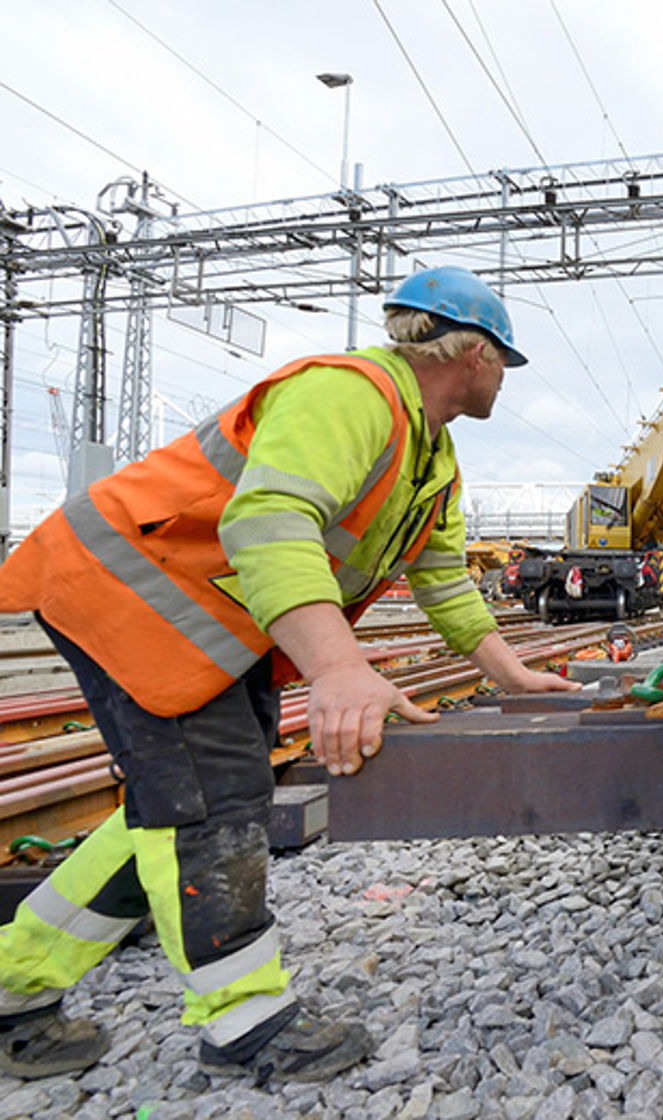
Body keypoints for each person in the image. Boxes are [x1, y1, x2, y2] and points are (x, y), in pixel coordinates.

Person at [0, 266, 579, 1084]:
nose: (501, 382)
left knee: (169, 808)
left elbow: (444, 578)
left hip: (199, 623)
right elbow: (270, 519)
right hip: (122, 591)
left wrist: (512, 673)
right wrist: (339, 668)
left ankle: (13, 986)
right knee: (213, 795)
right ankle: (246, 1022)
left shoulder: (431, 456)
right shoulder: (351, 396)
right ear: (476, 354)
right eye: (503, 364)